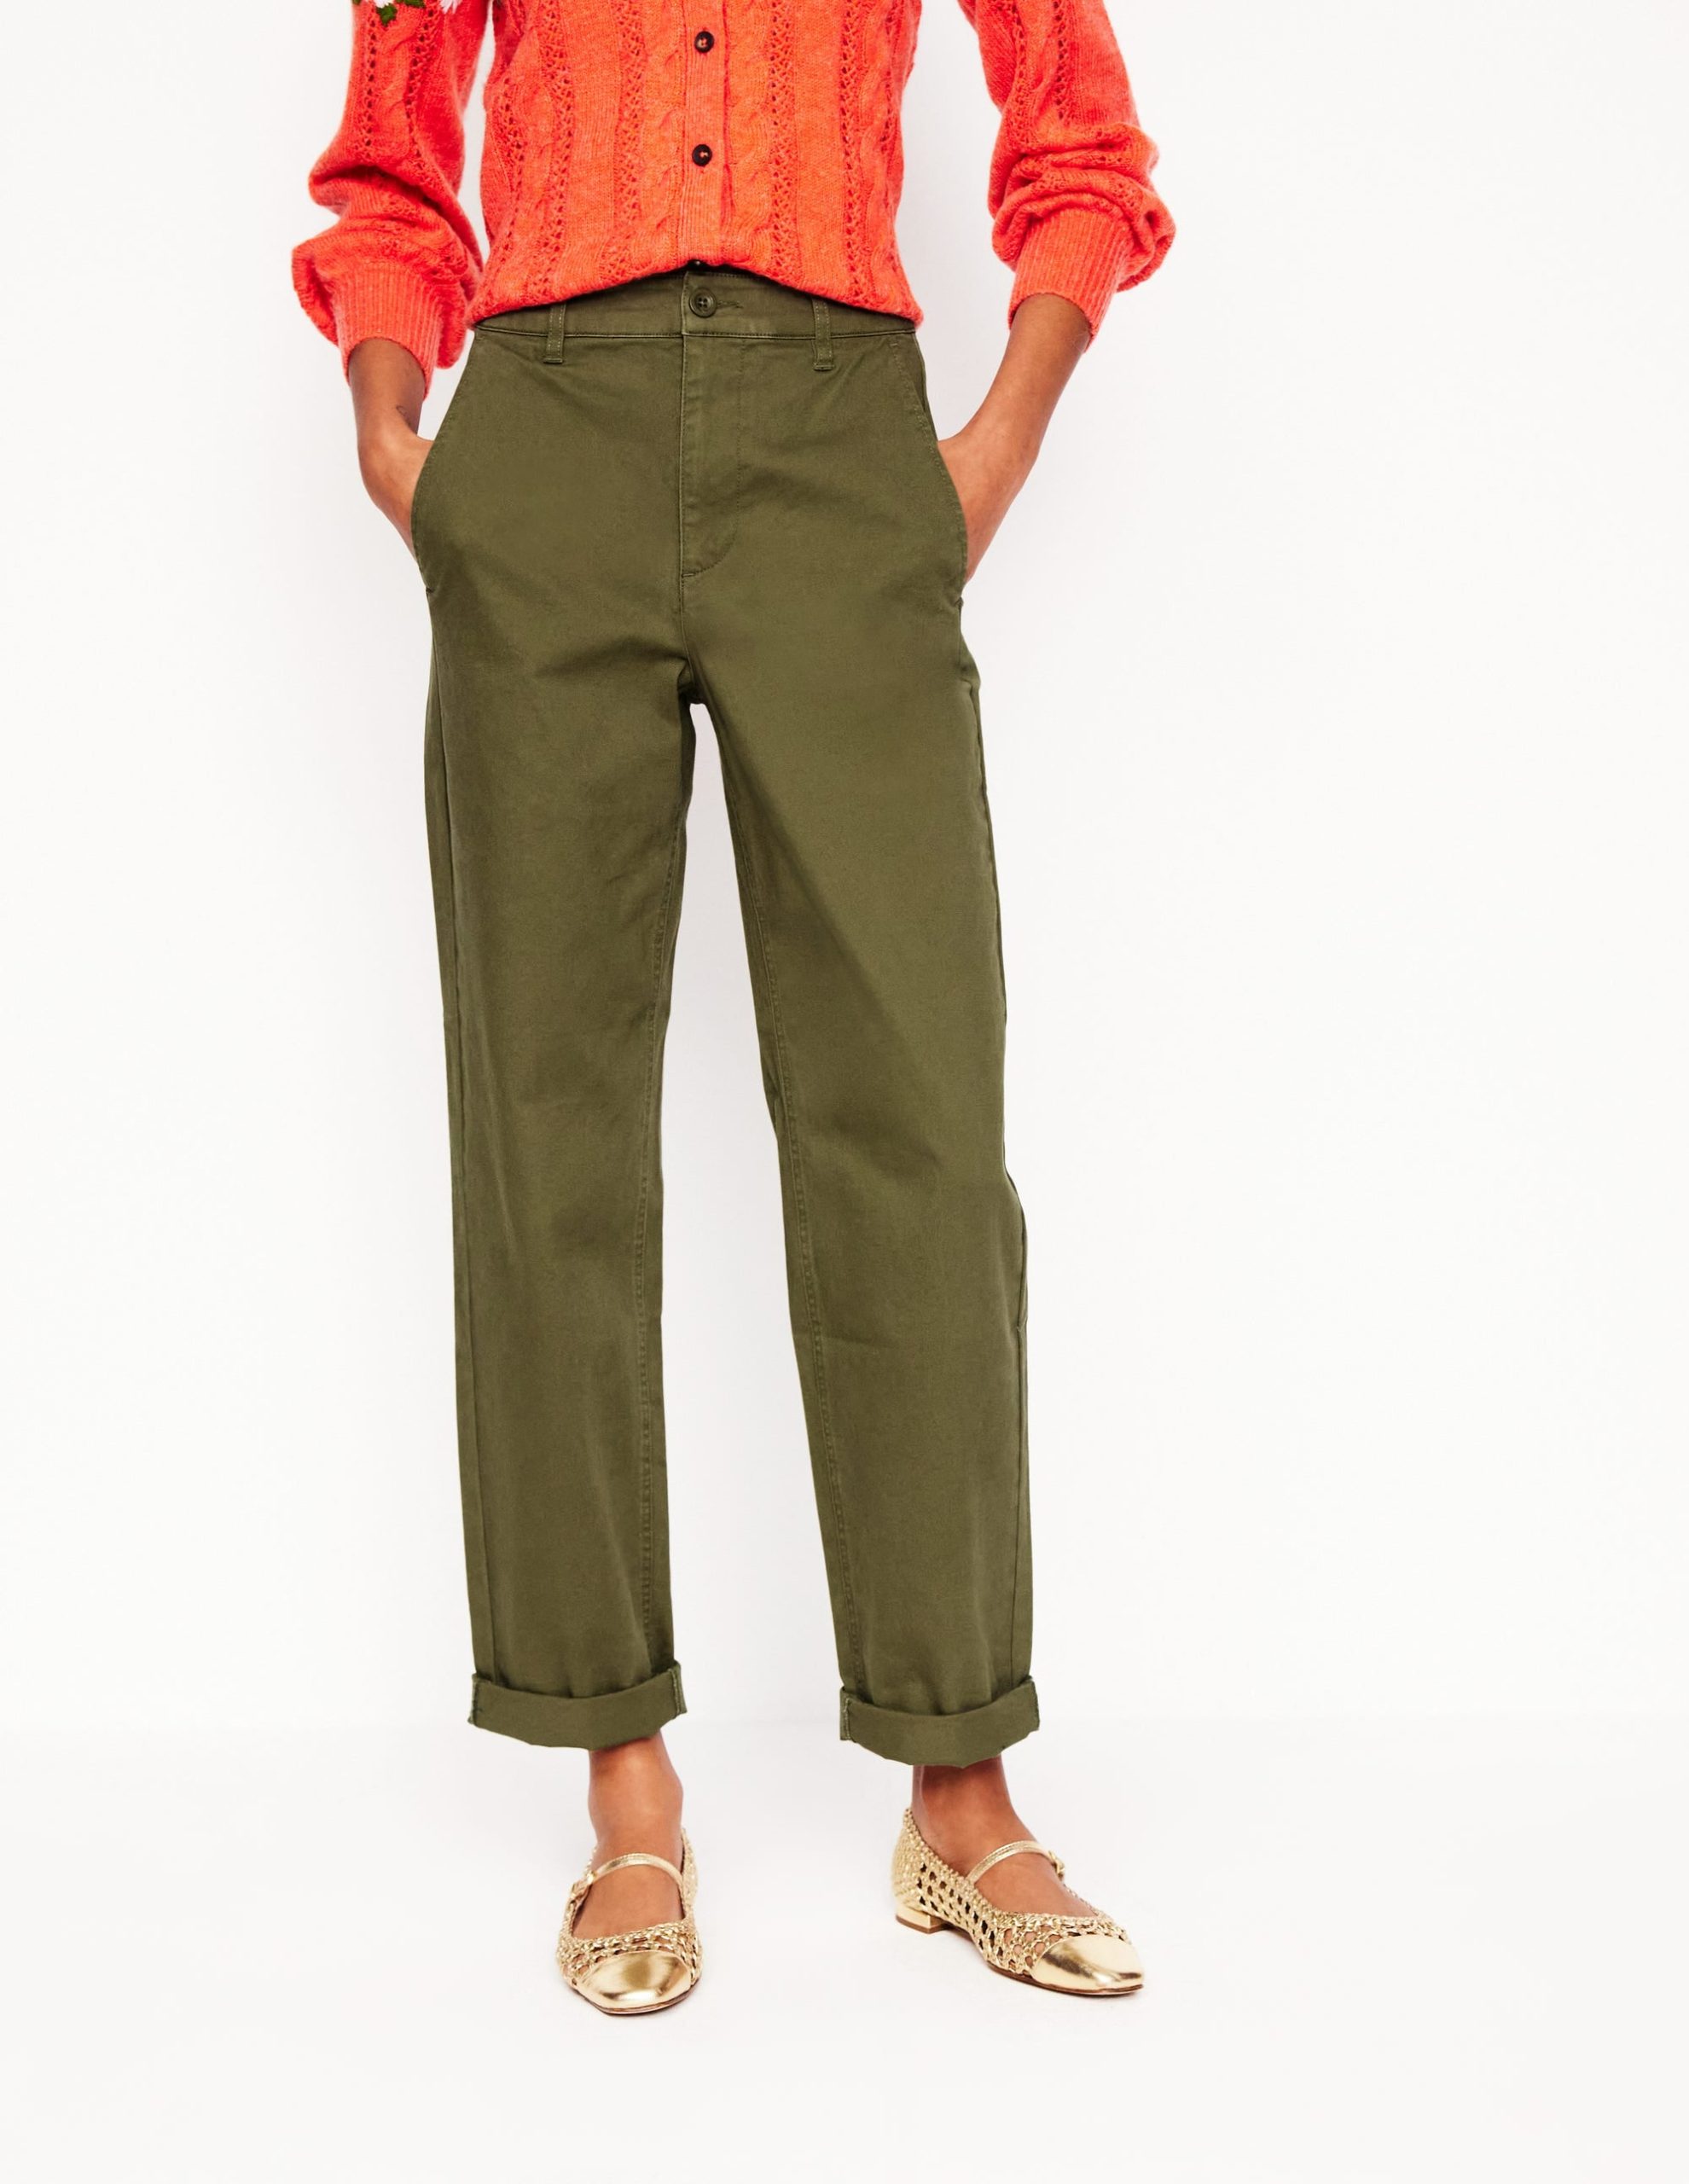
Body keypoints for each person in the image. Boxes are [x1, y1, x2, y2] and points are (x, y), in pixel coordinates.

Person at [294, 0, 1172, 2016]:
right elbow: (391, 155)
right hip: (545, 437)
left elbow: (1078, 131)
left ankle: (963, 1782)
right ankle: (624, 1779)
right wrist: (397, 435)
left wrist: (998, 442)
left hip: (837, 431)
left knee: (918, 1116)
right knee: (550, 1126)